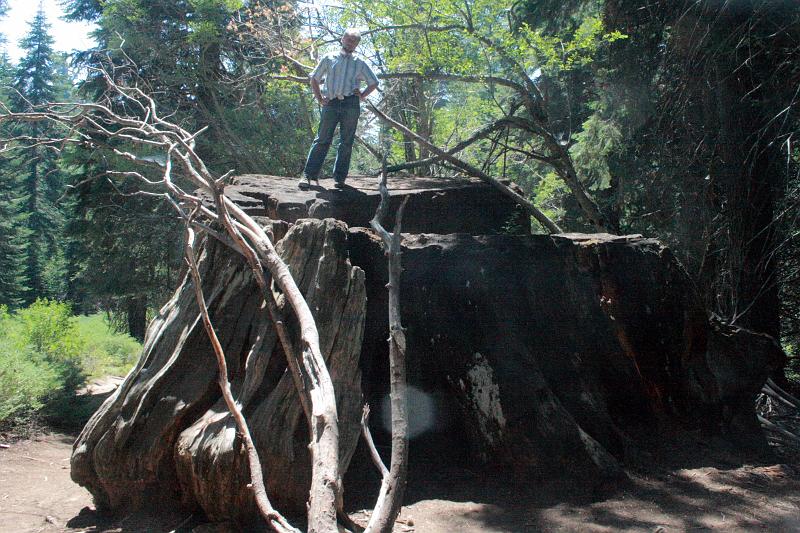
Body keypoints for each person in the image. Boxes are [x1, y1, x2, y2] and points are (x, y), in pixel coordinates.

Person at [299, 29, 379, 189]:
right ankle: (308, 175)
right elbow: (314, 78)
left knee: (346, 141)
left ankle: (339, 179)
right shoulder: (329, 58)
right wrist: (320, 99)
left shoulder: (359, 63)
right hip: (331, 103)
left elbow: (374, 82)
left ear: (357, 45)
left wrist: (362, 95)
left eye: (354, 41)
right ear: (343, 39)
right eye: (348, 39)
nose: (350, 43)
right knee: (322, 139)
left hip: (351, 104)